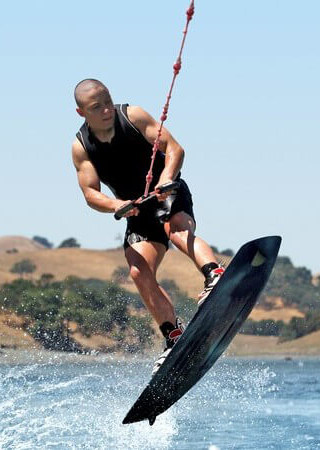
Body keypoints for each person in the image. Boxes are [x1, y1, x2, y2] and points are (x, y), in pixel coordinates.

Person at [71, 78, 224, 372]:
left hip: (166, 192)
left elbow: (175, 148)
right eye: (96, 107)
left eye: (107, 102)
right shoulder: (81, 147)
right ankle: (173, 335)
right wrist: (116, 205)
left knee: (177, 229)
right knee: (138, 270)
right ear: (81, 112)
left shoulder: (133, 116)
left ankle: (214, 274)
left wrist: (167, 176)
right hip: (136, 210)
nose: (105, 110)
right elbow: (90, 193)